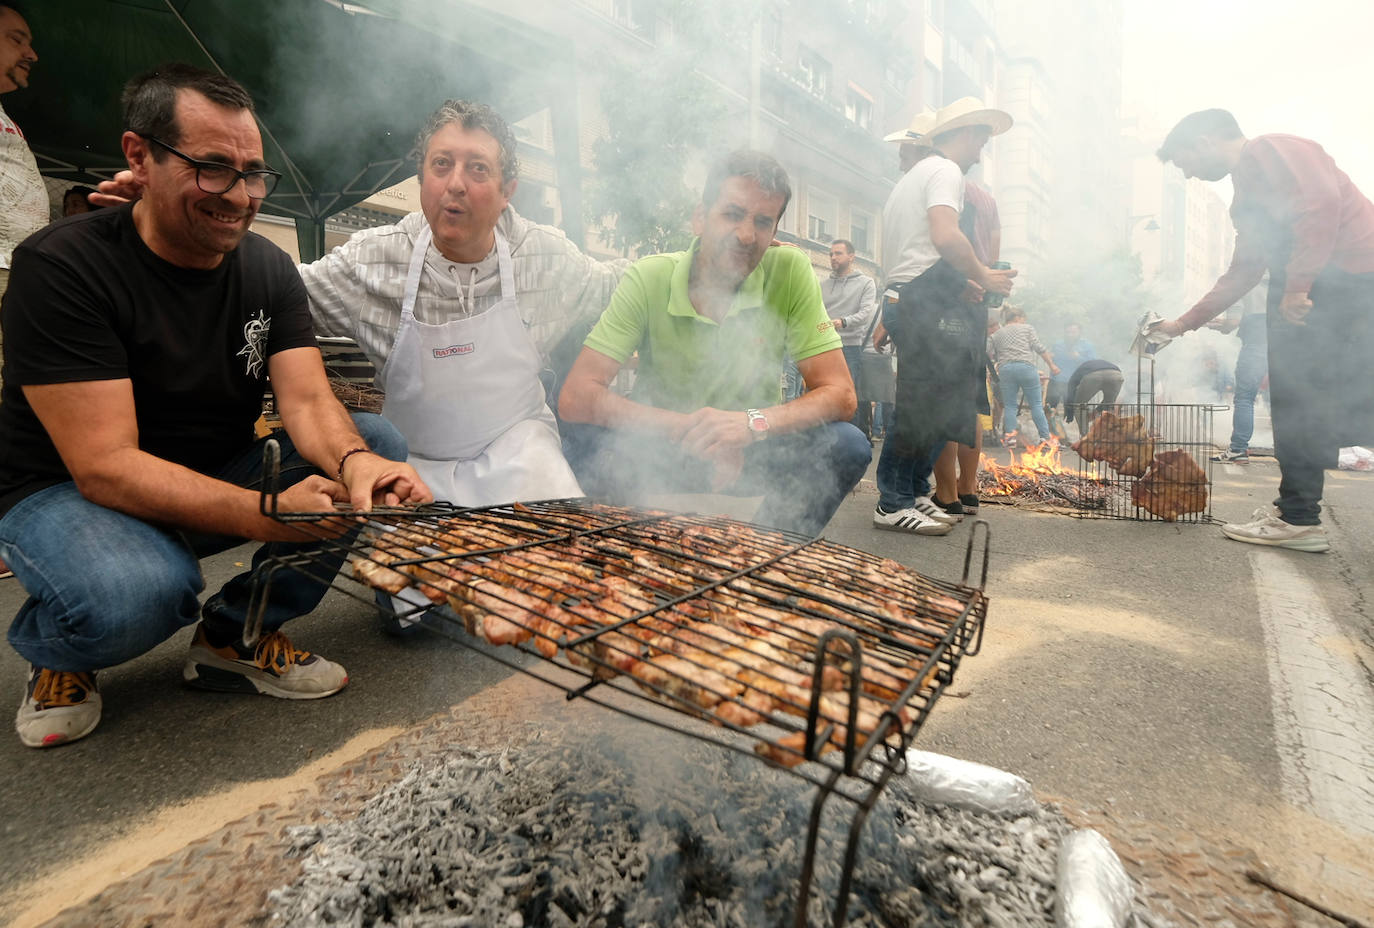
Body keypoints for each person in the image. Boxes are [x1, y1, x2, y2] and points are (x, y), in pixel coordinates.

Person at [0, 64, 432, 748]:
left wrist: (356, 463)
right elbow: (105, 466)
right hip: (66, 493)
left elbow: (307, 399)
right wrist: (269, 512)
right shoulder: (63, 266)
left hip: (212, 468)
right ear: (139, 155)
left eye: (253, 174)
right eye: (212, 169)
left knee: (377, 441)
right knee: (140, 593)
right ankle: (60, 645)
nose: (238, 196)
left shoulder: (266, 267)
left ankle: (235, 638)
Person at [558, 150, 871, 537]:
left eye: (762, 222)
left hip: (751, 449)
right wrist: (689, 428)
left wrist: (751, 424)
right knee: (582, 438)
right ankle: (623, 539)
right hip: (660, 447)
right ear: (700, 217)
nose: (746, 235)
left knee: (847, 444)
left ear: (775, 231)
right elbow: (576, 396)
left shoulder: (790, 270)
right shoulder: (649, 276)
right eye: (732, 214)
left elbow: (841, 394)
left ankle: (766, 549)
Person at [1154, 108, 1374, 553]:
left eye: (1184, 162)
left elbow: (1321, 206)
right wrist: (1181, 325)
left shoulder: (1272, 149)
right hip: (1325, 290)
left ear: (1204, 141)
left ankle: (1298, 518)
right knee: (1307, 403)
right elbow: (1244, 270)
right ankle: (1297, 515)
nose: (1189, 174)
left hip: (1347, 284)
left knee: (1317, 400)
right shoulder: (1247, 194)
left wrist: (1297, 287)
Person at [871, 98, 1016, 536]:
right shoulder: (945, 171)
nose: (981, 151)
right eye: (982, 140)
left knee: (936, 406)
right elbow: (944, 236)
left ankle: (914, 490)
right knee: (918, 406)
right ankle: (892, 502)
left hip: (918, 295)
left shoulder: (917, 175)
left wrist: (960, 284)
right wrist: (983, 275)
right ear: (967, 133)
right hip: (920, 300)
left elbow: (918, 249)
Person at [820, 238, 877, 432]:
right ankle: (822, 440)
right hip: (824, 347)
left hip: (850, 348)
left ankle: (851, 440)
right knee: (821, 395)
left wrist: (842, 322)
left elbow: (865, 314)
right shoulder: (823, 285)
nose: (833, 257)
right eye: (831, 254)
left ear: (851, 257)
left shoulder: (866, 283)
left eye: (838, 253)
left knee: (847, 398)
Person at [1207, 287, 1267, 463]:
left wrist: (1220, 325)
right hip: (1285, 343)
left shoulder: (1247, 279)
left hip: (1256, 345)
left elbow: (1233, 321)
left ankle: (1238, 449)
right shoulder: (1284, 275)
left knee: (1245, 398)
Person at [988, 304, 1059, 446]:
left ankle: (1010, 438)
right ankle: (1045, 438)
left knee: (1010, 405)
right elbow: (1039, 348)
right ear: (1018, 317)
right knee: (1036, 405)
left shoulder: (997, 334)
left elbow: (987, 352)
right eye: (1023, 319)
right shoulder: (1027, 329)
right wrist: (1052, 365)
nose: (1024, 322)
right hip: (1026, 367)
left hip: (1005, 369)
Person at [1046, 323, 1096, 423]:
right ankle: (1049, 428)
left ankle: (1069, 425)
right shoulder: (1058, 345)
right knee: (1049, 406)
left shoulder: (1087, 346)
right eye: (1068, 332)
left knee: (1070, 409)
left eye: (1073, 332)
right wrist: (1050, 357)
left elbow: (1092, 363)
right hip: (1056, 379)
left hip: (1074, 382)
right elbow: (1050, 359)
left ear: (1080, 332)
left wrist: (1078, 357)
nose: (1070, 334)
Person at [1062, 358, 1123, 439]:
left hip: (1094, 376)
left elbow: (1070, 388)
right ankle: (1106, 436)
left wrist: (1069, 410)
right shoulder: (1096, 364)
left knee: (1079, 405)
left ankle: (1085, 437)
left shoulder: (1079, 370)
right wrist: (1097, 411)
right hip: (1116, 375)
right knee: (1108, 404)